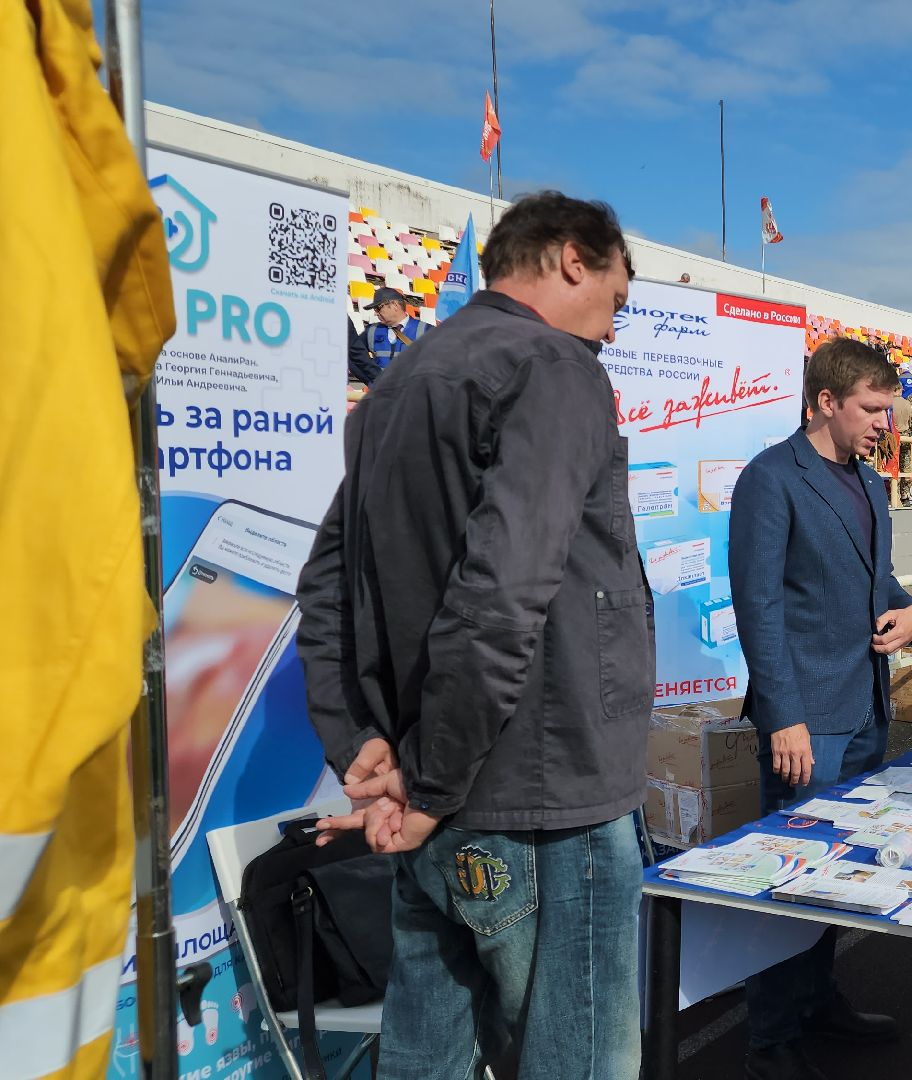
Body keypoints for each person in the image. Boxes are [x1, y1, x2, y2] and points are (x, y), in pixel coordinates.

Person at [296, 192, 651, 1077]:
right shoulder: (556, 366)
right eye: (615, 300)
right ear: (574, 259)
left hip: (432, 788)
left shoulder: (401, 381)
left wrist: (364, 747)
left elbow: (329, 584)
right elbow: (501, 593)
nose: (611, 330)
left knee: (428, 1057)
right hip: (536, 800)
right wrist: (428, 783)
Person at [730, 336, 912, 1080]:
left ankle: (818, 1001)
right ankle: (770, 1037)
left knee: (837, 876)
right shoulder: (771, 479)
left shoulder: (867, 482)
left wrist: (911, 614)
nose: (884, 423)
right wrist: (782, 715)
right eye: (871, 409)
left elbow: (883, 582)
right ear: (824, 403)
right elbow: (758, 606)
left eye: (888, 408)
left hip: (866, 710)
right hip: (807, 720)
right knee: (792, 877)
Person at [353, 285, 428, 385]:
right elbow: (353, 356)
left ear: (395, 305)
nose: (376, 314)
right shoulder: (371, 331)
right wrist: (370, 381)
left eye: (378, 308)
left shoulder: (426, 330)